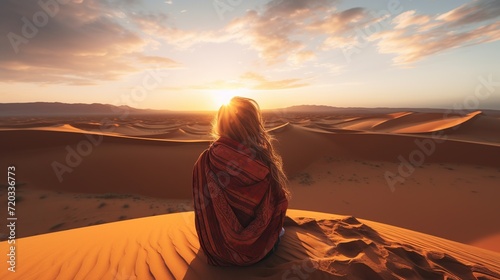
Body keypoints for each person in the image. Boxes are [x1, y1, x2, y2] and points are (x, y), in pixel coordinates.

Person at [192, 96, 290, 266]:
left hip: (216, 250)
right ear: (254, 124)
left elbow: (203, 208)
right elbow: (275, 205)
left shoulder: (205, 160)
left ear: (221, 122)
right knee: (279, 230)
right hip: (258, 254)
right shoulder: (261, 163)